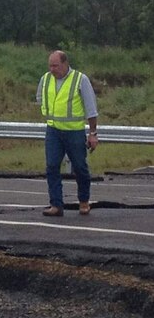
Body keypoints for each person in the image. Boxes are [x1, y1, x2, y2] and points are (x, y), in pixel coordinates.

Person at [36, 50, 98, 217]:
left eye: (55, 66)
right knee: (52, 166)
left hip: (74, 132)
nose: (52, 69)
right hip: (53, 131)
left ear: (65, 64)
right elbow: (40, 100)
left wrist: (93, 133)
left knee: (79, 167)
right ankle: (56, 204)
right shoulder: (46, 79)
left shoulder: (80, 79)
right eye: (50, 66)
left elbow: (91, 110)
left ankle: (84, 201)